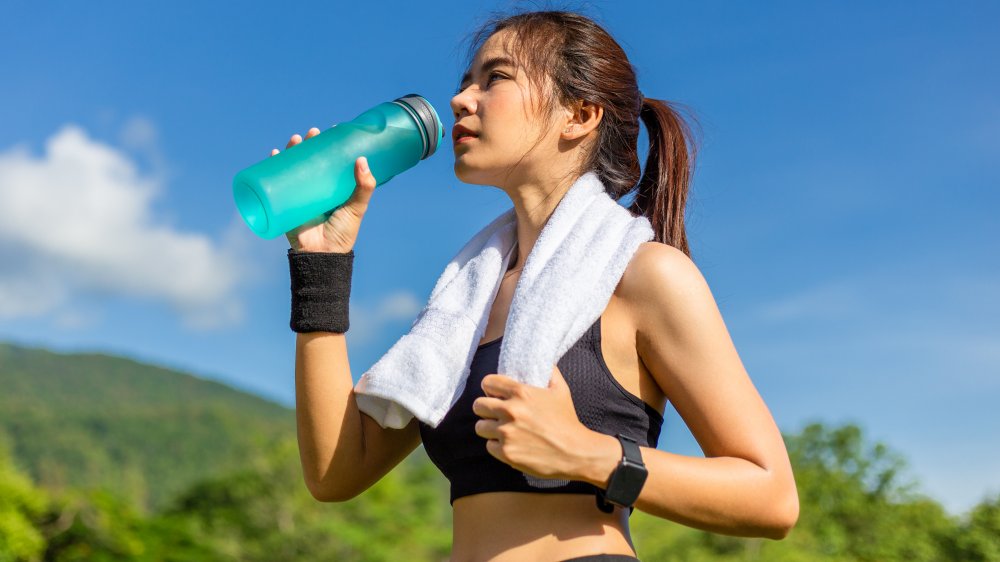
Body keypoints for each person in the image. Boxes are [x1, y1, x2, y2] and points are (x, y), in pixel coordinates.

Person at [274, 9, 799, 562]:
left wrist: (587, 454)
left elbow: (771, 497)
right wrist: (323, 267)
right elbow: (336, 473)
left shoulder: (646, 275)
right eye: (464, 83)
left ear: (579, 114)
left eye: (494, 78)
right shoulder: (462, 304)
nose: (461, 100)